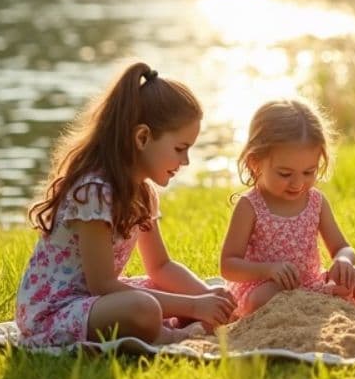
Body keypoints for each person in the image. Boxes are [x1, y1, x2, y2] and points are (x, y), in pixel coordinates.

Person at [16, 62, 236, 346]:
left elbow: (161, 266)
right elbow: (104, 285)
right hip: (55, 312)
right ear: (142, 137)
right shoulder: (94, 192)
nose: (185, 162)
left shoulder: (143, 194)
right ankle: (168, 336)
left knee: (191, 291)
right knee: (143, 308)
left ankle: (176, 322)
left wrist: (208, 297)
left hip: (94, 303)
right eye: (180, 149)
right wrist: (193, 306)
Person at [220, 98, 355, 317]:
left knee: (352, 286)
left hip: (309, 284)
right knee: (266, 297)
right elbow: (228, 266)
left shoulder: (316, 202)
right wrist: (269, 270)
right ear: (255, 162)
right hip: (263, 288)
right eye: (285, 174)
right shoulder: (250, 206)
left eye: (308, 172)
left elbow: (343, 247)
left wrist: (343, 260)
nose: (297, 184)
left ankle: (311, 304)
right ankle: (306, 305)